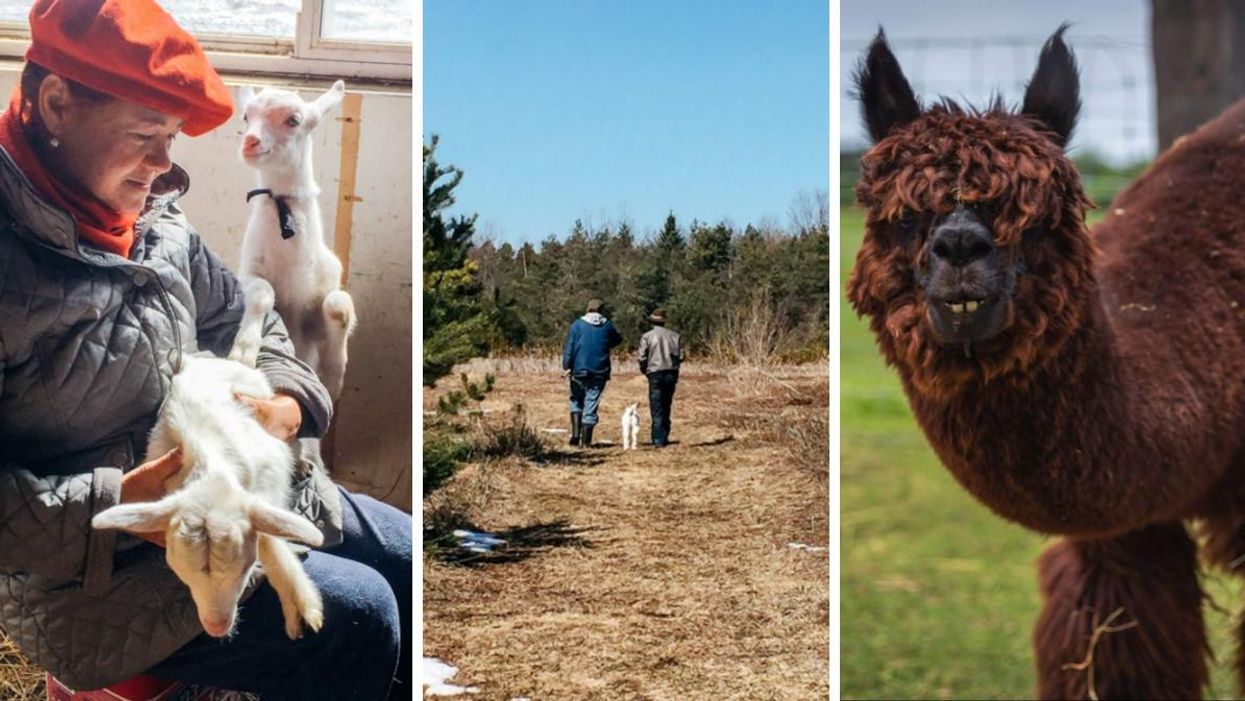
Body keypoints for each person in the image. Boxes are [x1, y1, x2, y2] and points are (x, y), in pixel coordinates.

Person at [0, 2, 410, 699]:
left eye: (172, 137)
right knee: (360, 620)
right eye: (146, 134)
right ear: (58, 103)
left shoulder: (155, 218)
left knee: (407, 556)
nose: (165, 163)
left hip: (240, 484)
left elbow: (244, 316)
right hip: (94, 571)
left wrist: (285, 403)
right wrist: (116, 500)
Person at [561, 298, 623, 447]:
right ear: (601, 310)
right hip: (599, 370)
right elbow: (617, 340)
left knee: (576, 400)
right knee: (591, 403)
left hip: (578, 370)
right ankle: (586, 442)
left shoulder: (577, 325)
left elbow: (570, 347)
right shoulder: (607, 325)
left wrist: (567, 366)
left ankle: (575, 435)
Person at [637, 308, 683, 447]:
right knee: (667, 404)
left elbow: (642, 357)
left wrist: (645, 370)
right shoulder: (675, 336)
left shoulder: (647, 336)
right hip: (671, 373)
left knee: (656, 406)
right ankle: (664, 435)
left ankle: (658, 439)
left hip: (655, 373)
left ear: (652, 322)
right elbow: (681, 356)